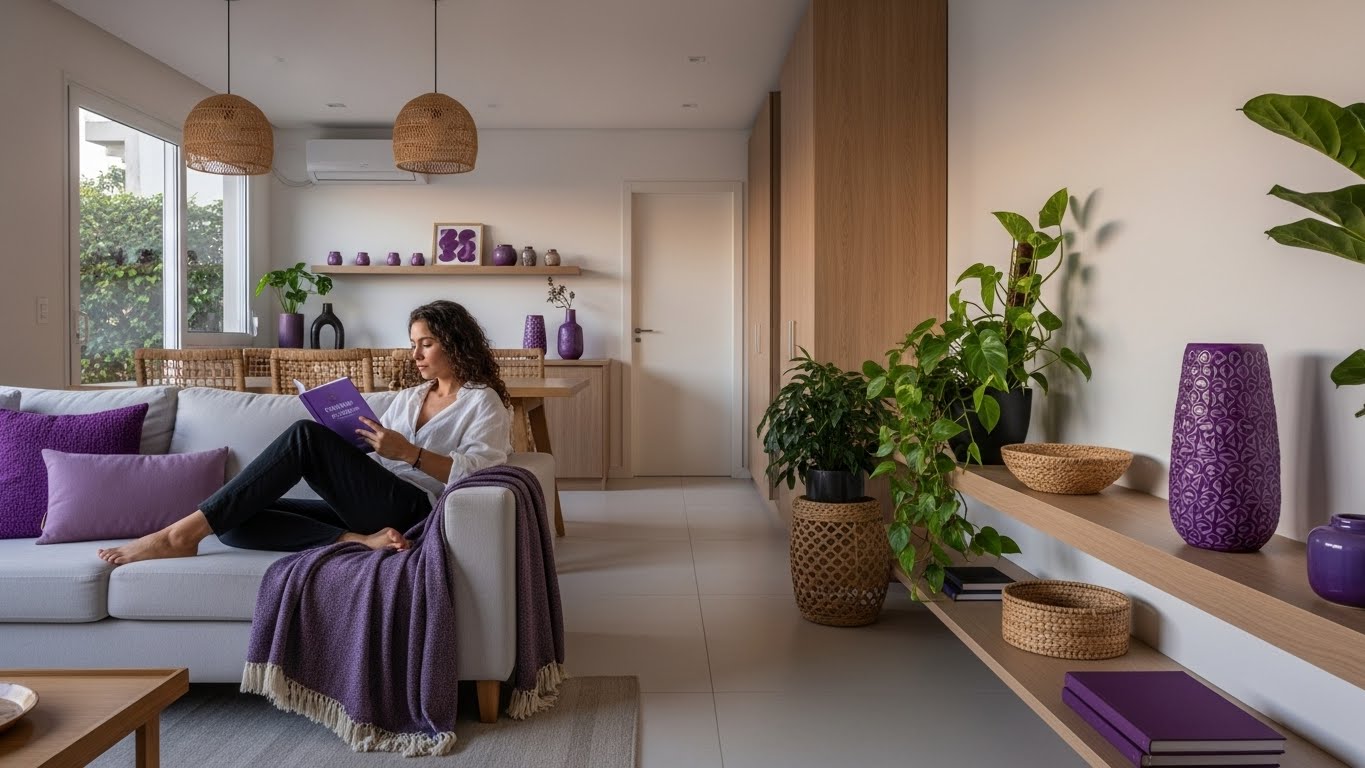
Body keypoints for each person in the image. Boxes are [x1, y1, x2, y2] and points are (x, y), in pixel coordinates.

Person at [97, 300, 513, 565]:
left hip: (417, 508)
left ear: (455, 345)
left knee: (304, 436)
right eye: (413, 344)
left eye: (426, 344)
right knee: (234, 522)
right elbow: (381, 455)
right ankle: (357, 540)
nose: (415, 354)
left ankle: (177, 534)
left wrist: (410, 454)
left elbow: (485, 474)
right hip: (374, 505)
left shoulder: (482, 402)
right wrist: (354, 442)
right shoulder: (411, 397)